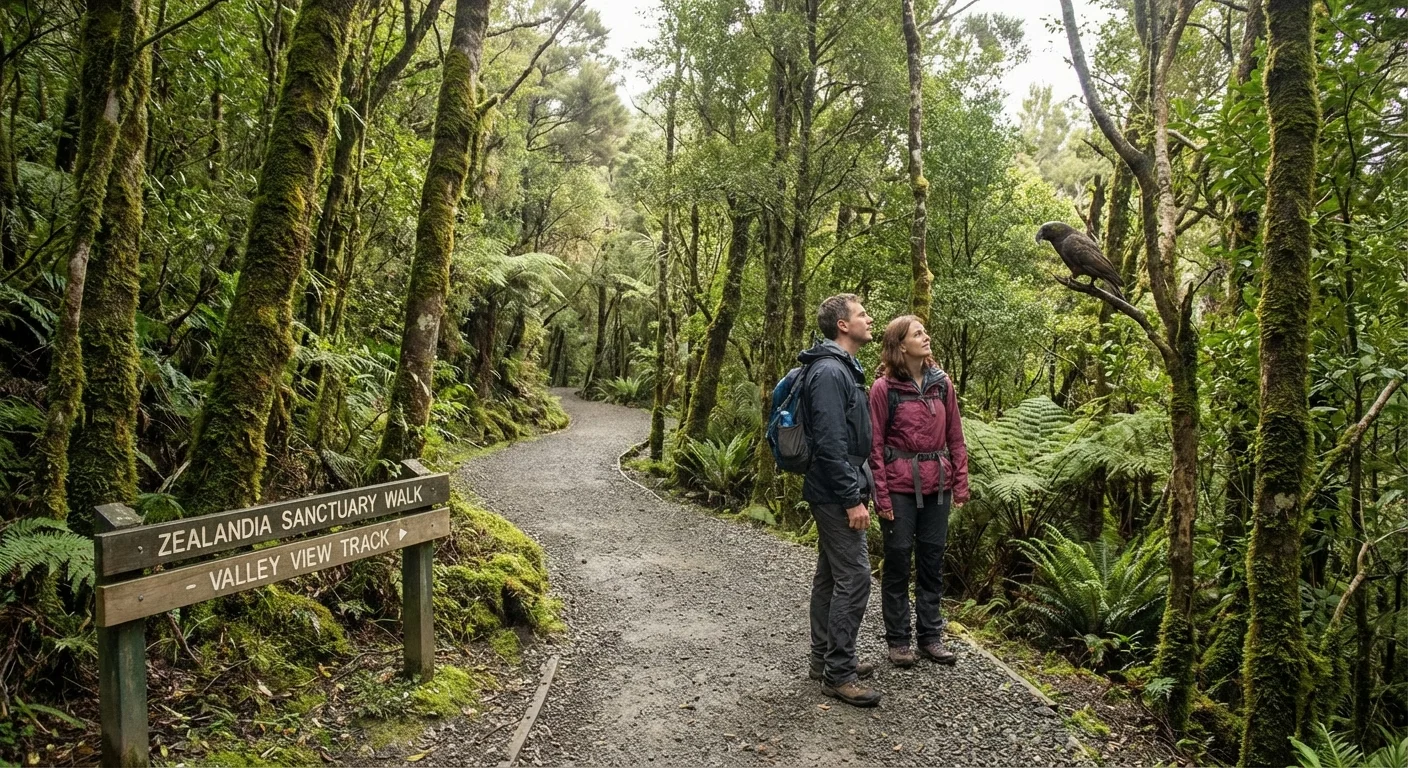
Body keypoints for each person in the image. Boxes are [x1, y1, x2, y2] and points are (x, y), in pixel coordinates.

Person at [867, 315, 969, 668]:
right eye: (918, 333)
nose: (926, 337)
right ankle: (898, 640)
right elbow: (875, 445)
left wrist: (961, 483)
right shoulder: (884, 389)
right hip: (898, 487)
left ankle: (930, 636)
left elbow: (955, 435)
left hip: (937, 484)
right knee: (897, 559)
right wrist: (880, 496)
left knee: (931, 561)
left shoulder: (942, 385)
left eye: (925, 332)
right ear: (899, 345)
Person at [797, 294, 880, 707]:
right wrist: (852, 498)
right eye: (862, 314)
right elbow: (830, 444)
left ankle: (823, 658)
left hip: (839, 484)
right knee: (856, 576)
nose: (869, 319)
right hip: (835, 489)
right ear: (843, 326)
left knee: (831, 576)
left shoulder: (841, 368)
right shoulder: (830, 371)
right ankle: (839, 672)